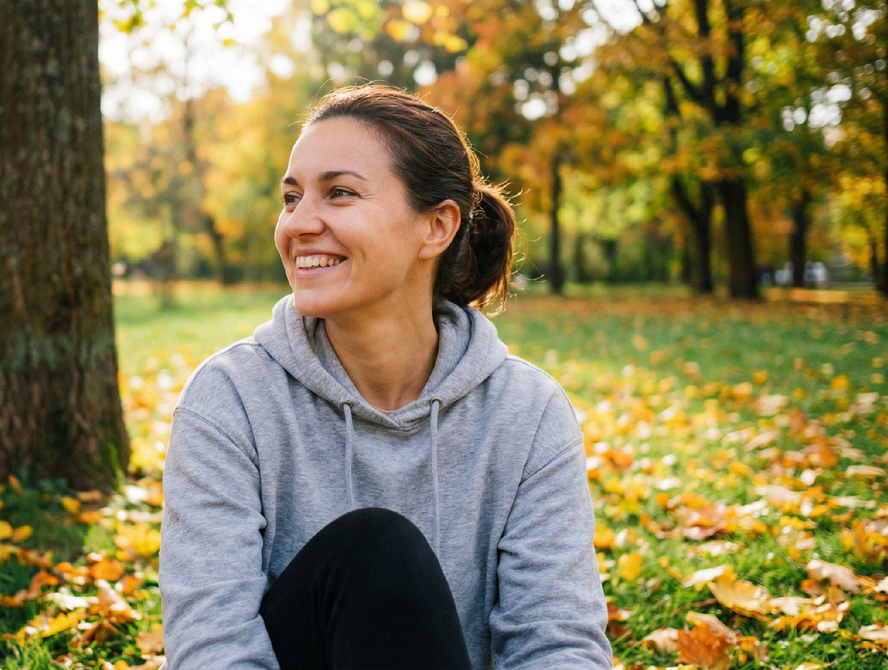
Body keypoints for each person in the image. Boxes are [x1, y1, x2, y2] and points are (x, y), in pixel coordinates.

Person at [160, 84, 611, 669]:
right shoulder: (231, 399)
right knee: (375, 550)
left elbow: (557, 643)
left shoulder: (528, 411)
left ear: (436, 227)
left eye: (339, 193)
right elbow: (210, 647)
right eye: (291, 198)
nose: (299, 222)